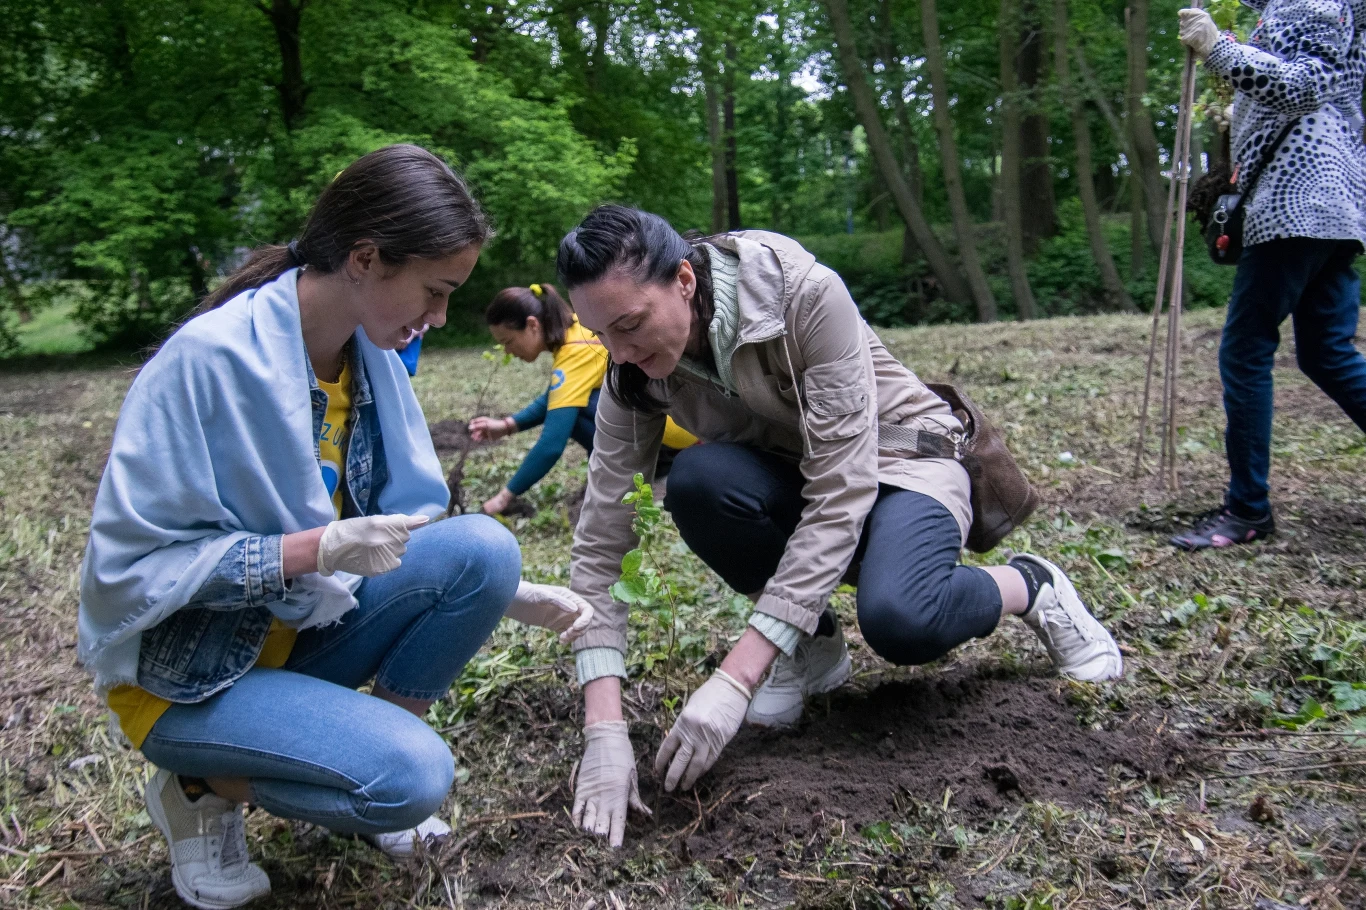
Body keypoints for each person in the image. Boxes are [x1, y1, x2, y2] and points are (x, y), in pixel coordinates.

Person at [77, 145, 593, 910]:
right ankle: (197, 787)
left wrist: (511, 593)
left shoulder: (370, 367)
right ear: (364, 258)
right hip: (190, 677)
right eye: (435, 290)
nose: (440, 316)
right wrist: (311, 548)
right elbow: (133, 570)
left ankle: (343, 750)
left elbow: (394, 533)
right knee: (412, 779)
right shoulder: (206, 363)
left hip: (294, 639)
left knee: (486, 549)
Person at [555, 205, 1124, 848]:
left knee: (901, 620)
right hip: (797, 472)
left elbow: (839, 493)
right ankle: (813, 647)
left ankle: (1031, 586)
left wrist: (735, 677)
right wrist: (602, 729)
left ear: (684, 280)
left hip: (902, 463)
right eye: (605, 337)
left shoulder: (803, 296)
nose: (622, 353)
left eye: (631, 325)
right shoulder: (631, 372)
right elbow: (601, 539)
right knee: (699, 482)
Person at [1172, 0, 1366, 549]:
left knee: (1245, 350)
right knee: (1327, 352)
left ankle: (1248, 511)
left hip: (1296, 204)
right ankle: (1247, 505)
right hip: (1327, 207)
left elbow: (1301, 86)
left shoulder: (1315, 1)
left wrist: (1219, 49)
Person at [468, 283, 697, 516]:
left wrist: (503, 497)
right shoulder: (579, 329)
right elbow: (556, 396)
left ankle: (653, 468)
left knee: (574, 410)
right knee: (571, 402)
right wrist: (508, 426)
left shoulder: (573, 353)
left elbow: (551, 445)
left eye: (508, 341)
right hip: (684, 423)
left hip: (675, 437)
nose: (507, 351)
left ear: (532, 325)